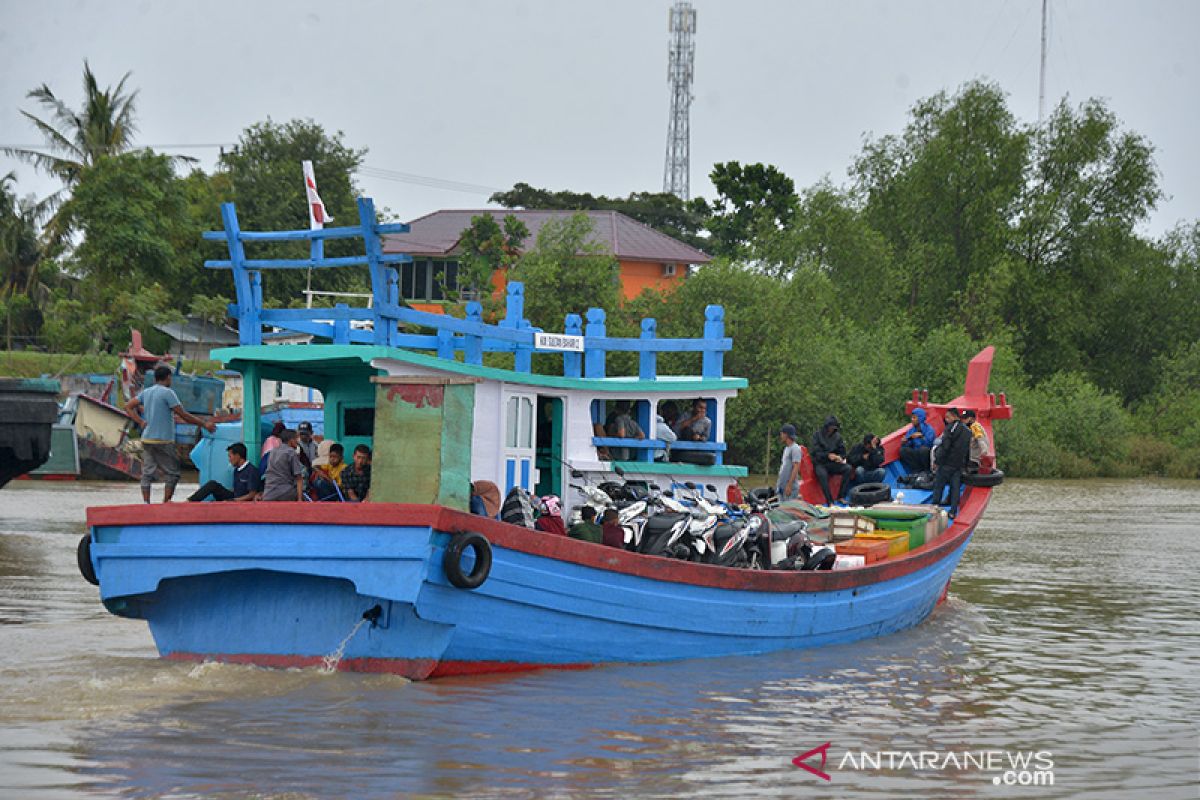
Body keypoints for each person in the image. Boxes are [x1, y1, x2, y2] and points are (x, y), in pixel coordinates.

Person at [124, 364, 216, 504]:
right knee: (172, 473)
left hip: (147, 439)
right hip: (163, 440)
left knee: (147, 472)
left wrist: (140, 422)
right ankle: (166, 502)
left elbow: (128, 406)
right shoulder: (168, 393)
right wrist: (204, 424)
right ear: (168, 378)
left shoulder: (146, 392)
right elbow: (183, 414)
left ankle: (146, 503)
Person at [927, 408, 972, 517]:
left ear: (954, 416)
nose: (946, 420)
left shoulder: (950, 429)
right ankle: (953, 511)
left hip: (946, 463)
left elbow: (945, 447)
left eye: (947, 417)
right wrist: (965, 465)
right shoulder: (967, 431)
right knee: (955, 487)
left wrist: (937, 461)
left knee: (939, 485)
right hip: (958, 465)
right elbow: (967, 450)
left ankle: (934, 508)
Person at [187, 442, 261, 502]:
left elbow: (252, 494)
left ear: (238, 456)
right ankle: (191, 501)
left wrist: (234, 500)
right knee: (213, 485)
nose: (229, 459)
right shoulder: (237, 470)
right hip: (234, 496)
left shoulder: (251, 471)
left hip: (241, 500)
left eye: (230, 456)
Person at [811, 415, 852, 505]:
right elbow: (815, 452)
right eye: (831, 427)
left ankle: (841, 496)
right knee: (822, 475)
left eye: (834, 428)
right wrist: (827, 455)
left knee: (848, 468)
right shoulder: (817, 435)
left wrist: (840, 457)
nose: (832, 429)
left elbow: (843, 452)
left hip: (832, 463)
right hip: (820, 463)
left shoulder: (838, 437)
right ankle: (829, 501)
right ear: (827, 426)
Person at [261, 429, 305, 501]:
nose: (298, 441)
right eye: (296, 438)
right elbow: (299, 478)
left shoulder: (272, 451)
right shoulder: (291, 452)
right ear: (291, 440)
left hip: (268, 493)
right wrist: (300, 499)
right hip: (286, 492)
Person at [899, 408, 936, 473]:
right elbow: (908, 443)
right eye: (912, 418)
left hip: (927, 455)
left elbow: (930, 443)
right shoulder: (912, 430)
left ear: (920, 418)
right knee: (903, 450)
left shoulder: (929, 429)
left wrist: (921, 436)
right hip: (917, 453)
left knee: (923, 450)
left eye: (914, 418)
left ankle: (927, 470)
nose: (912, 420)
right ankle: (917, 470)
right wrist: (905, 441)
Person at [776, 424, 804, 500]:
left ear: (786, 434)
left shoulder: (795, 449)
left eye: (782, 433)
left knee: (788, 510)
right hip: (782, 486)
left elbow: (796, 467)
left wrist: (789, 485)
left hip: (790, 487)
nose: (781, 436)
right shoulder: (786, 448)